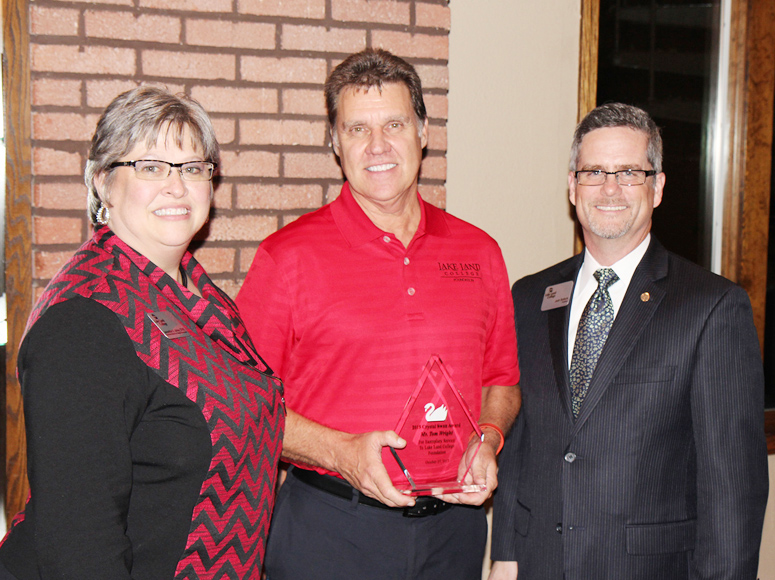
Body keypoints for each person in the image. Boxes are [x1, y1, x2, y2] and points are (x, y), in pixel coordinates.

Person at [236, 48, 520, 579]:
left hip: (453, 532)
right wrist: (342, 452)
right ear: (334, 143)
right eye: (357, 129)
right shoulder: (286, 257)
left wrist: (488, 438)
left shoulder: (480, 252)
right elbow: (245, 406)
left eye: (394, 123)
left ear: (423, 132)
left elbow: (501, 380)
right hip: (329, 530)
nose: (378, 146)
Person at [0, 86, 285, 579]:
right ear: (102, 184)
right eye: (150, 167)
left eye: (193, 168)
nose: (176, 187)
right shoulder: (82, 324)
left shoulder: (199, 296)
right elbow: (79, 547)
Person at [489, 103, 769, 580]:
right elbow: (521, 444)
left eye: (630, 173)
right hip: (540, 566)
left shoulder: (711, 307)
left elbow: (732, 490)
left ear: (657, 187)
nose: (610, 189)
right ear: (572, 186)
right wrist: (506, 556)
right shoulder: (532, 296)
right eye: (594, 172)